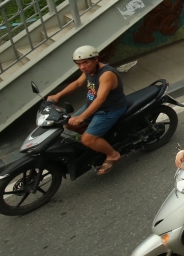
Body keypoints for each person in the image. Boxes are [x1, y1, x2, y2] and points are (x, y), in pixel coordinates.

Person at [47, 45, 127, 176]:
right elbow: (78, 84)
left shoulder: (106, 74)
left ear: (95, 60)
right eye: (78, 64)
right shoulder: (89, 71)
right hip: (93, 107)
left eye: (85, 62)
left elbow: (100, 99)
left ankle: (113, 155)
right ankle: (97, 140)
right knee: (68, 124)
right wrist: (57, 95)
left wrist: (82, 117)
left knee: (86, 139)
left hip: (109, 109)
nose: (82, 67)